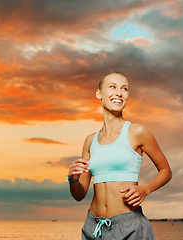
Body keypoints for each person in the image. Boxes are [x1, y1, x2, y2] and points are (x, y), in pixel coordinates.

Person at [68, 72, 172, 240]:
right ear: (99, 93)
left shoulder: (137, 132)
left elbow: (166, 170)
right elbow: (79, 195)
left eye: (124, 89)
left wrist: (144, 190)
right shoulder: (90, 141)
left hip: (129, 226)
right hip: (93, 228)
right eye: (112, 87)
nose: (119, 93)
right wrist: (73, 179)